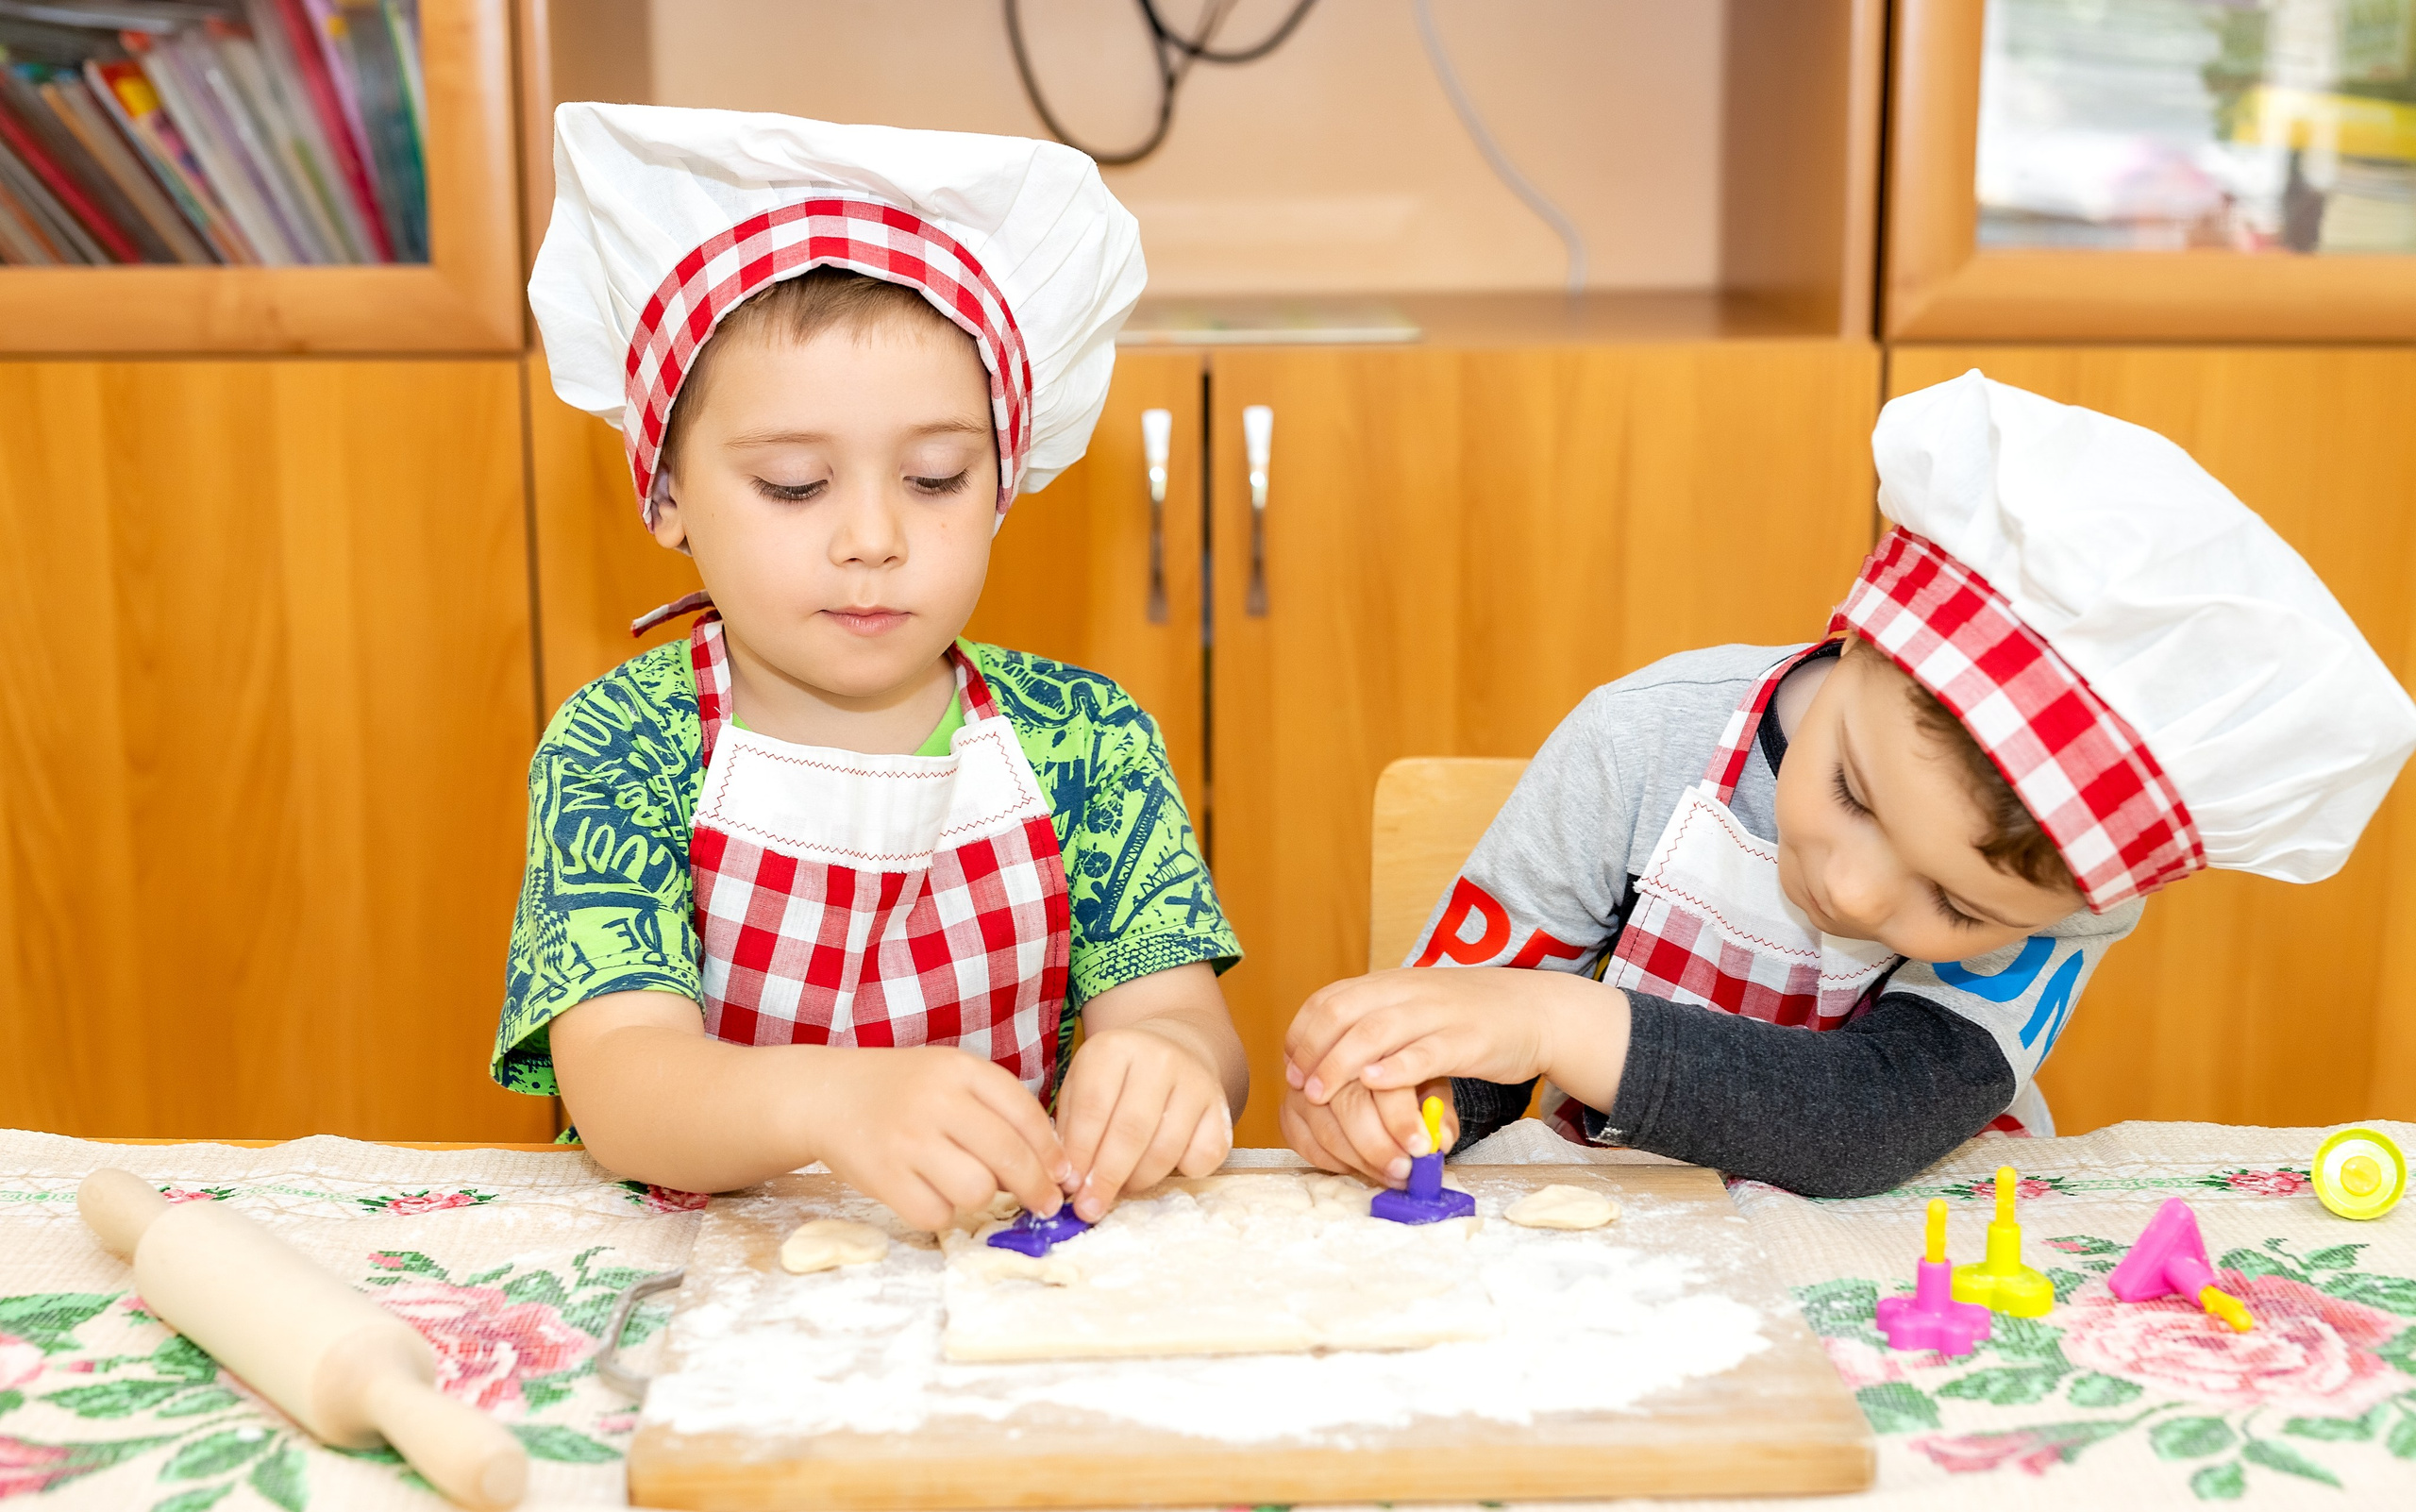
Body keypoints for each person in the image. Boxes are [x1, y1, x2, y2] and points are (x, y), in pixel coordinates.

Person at [1282, 370, 2416, 1198]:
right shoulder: (1643, 743)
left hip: (1919, 1269)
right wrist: (1403, 1107)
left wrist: (1551, 1020)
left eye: (1959, 908)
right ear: (1854, 638)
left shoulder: (2082, 891)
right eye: (1853, 795)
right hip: (1624, 1253)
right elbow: (1475, 1040)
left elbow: (1866, 1119)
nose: (1865, 897)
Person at [496, 105, 1245, 1230]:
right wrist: (832, 1102)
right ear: (665, 495)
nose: (873, 539)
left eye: (936, 478)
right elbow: (621, 1082)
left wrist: (1165, 1066)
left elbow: (1187, 1026)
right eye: (796, 484)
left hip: (1002, 1263)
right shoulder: (624, 743)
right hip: (710, 1275)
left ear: (1004, 480)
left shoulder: (1085, 738)